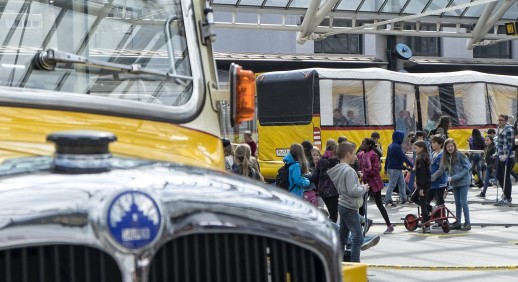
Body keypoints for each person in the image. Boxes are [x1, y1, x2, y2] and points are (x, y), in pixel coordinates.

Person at [328, 141, 370, 262]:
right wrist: (364, 188)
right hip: (350, 207)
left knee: (342, 237)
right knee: (358, 238)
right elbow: (353, 191)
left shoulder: (338, 169)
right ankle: (355, 265)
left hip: (342, 204)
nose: (356, 156)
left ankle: (340, 264)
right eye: (354, 154)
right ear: (347, 154)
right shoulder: (349, 171)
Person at [431, 138, 472, 231]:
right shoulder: (445, 157)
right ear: (445, 148)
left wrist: (455, 177)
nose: (450, 148)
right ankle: (458, 222)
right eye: (448, 146)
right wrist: (432, 177)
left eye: (451, 146)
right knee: (457, 203)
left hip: (464, 181)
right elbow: (442, 170)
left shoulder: (460, 154)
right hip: (454, 183)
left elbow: (468, 167)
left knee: (463, 202)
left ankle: (467, 223)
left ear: (454, 146)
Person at [358, 138, 394, 234]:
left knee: (378, 204)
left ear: (369, 145)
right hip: (365, 182)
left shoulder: (373, 155)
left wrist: (364, 173)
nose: (361, 145)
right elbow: (360, 166)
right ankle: (361, 226)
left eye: (363, 144)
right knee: (361, 204)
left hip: (374, 182)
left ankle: (389, 225)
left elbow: (375, 169)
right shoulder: (361, 154)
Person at [311, 139, 340, 222]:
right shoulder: (338, 161)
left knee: (330, 212)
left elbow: (314, 176)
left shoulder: (321, 160)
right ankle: (332, 232)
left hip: (323, 190)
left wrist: (318, 185)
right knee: (334, 214)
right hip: (334, 190)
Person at [384, 130, 414, 206]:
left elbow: (388, 158)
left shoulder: (391, 146)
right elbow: (402, 157)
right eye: (402, 137)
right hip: (395, 169)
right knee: (392, 185)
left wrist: (385, 168)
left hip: (396, 168)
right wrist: (411, 165)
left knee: (402, 184)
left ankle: (403, 199)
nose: (402, 139)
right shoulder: (396, 147)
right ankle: (387, 199)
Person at [410, 140, 432, 233]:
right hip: (424, 183)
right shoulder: (423, 157)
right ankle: (430, 208)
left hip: (423, 184)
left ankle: (426, 224)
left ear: (421, 148)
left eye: (416, 148)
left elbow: (422, 174)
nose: (414, 150)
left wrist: (421, 188)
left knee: (422, 205)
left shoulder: (421, 158)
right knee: (414, 198)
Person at [495, 114, 514, 203]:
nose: (499, 122)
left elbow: (510, 144)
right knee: (499, 176)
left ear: (506, 121)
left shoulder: (509, 130)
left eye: (501, 120)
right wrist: (497, 153)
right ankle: (505, 193)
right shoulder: (499, 129)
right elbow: (498, 142)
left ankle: (508, 196)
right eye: (498, 120)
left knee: (506, 177)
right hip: (500, 155)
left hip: (507, 157)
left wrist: (506, 155)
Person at [429, 135, 447, 207]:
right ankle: (432, 213)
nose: (432, 144)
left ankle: (441, 217)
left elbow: (441, 170)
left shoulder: (443, 155)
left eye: (434, 142)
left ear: (440, 144)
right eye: (432, 142)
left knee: (439, 201)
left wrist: (432, 177)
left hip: (440, 182)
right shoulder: (432, 153)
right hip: (431, 182)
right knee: (426, 201)